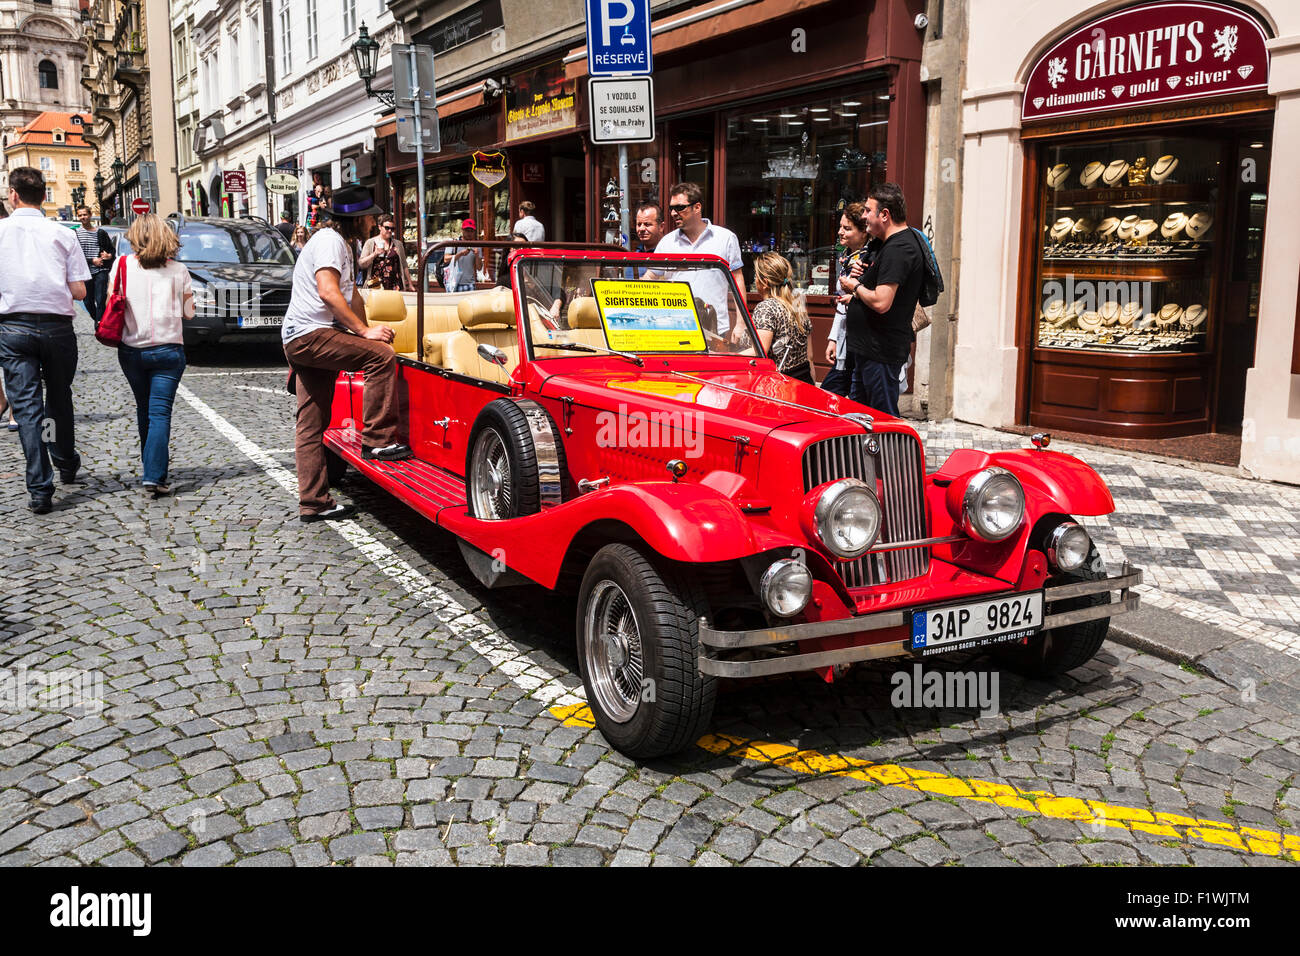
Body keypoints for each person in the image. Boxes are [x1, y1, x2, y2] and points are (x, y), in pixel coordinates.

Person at [282, 184, 412, 522]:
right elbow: (328, 292)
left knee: (311, 424)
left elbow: (351, 296)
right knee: (381, 356)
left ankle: (314, 502)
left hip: (303, 336)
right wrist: (366, 335)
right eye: (370, 216)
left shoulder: (342, 244)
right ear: (354, 218)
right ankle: (377, 440)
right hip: (311, 335)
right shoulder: (329, 242)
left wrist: (366, 332)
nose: (373, 222)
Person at [0, 167, 90, 513]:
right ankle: (65, 460)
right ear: (42, 196)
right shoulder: (63, 234)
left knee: (27, 410)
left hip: (13, 328)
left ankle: (40, 488)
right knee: (58, 397)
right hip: (56, 328)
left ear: (13, 194)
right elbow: (80, 289)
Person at [110, 214, 194, 496]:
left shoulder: (122, 265)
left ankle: (152, 469)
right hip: (168, 349)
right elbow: (189, 313)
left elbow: (112, 301)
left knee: (144, 408)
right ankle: (154, 475)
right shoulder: (179, 270)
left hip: (132, 350)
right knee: (159, 413)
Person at [840, 182, 924, 417]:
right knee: (860, 422)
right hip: (867, 351)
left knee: (882, 423)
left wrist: (854, 286)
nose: (864, 216)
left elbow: (881, 302)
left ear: (884, 214)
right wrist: (860, 276)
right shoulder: (884, 245)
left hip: (880, 354)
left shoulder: (900, 249)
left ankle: (897, 456)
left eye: (868, 210)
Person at [653, 183, 745, 337]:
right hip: (675, 326)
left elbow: (738, 280)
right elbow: (651, 276)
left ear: (697, 207)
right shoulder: (666, 242)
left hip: (714, 328)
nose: (674, 213)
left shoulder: (725, 238)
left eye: (680, 208)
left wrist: (741, 323)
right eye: (671, 209)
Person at [822, 203, 874, 397]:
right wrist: (833, 338)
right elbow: (841, 303)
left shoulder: (869, 260)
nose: (840, 232)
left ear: (863, 233)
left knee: (834, 394)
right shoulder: (846, 256)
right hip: (846, 336)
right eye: (841, 227)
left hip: (860, 338)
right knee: (836, 393)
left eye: (847, 228)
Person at [743, 251, 814, 383]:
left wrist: (728, 356)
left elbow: (759, 350)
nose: (754, 280)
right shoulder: (797, 303)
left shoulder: (766, 307)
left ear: (764, 282)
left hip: (779, 383)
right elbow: (809, 356)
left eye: (755, 277)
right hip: (803, 378)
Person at [74, 205, 115, 327]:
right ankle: (97, 319)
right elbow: (75, 256)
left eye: (85, 214)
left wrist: (108, 255)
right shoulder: (75, 233)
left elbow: (111, 250)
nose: (83, 217)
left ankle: (99, 325)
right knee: (87, 301)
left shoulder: (100, 232)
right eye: (80, 215)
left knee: (100, 299)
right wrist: (92, 261)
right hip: (85, 272)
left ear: (90, 215)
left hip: (100, 270)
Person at [358, 215, 413, 291]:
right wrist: (374, 254)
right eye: (387, 228)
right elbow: (361, 264)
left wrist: (410, 284)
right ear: (380, 227)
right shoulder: (370, 243)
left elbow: (404, 266)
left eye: (392, 229)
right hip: (376, 286)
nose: (390, 231)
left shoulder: (398, 244)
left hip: (395, 286)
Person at [443, 219, 481, 292]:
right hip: (454, 282)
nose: (469, 233)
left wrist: (477, 256)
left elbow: (479, 268)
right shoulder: (454, 242)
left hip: (470, 284)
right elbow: (446, 259)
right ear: (462, 230)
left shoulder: (477, 245)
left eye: (471, 231)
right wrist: (460, 254)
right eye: (467, 230)